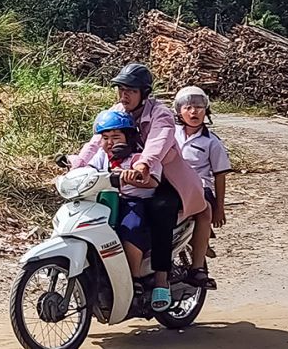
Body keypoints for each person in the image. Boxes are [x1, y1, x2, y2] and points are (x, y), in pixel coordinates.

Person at [74, 63, 208, 312]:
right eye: (121, 90)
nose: (124, 96)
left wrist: (143, 164)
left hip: (165, 178)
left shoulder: (161, 113)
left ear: (144, 93)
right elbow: (94, 144)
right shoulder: (116, 112)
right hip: (127, 182)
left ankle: (160, 280)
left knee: (160, 211)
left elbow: (159, 140)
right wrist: (75, 167)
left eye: (131, 91)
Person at [86, 111, 161, 291]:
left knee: (130, 227)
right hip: (107, 201)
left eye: (116, 137)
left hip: (134, 202)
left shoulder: (139, 158)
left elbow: (154, 181)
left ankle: (134, 278)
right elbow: (88, 169)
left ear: (128, 137)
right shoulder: (102, 156)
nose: (110, 142)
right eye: (105, 137)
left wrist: (133, 176)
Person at [174, 85, 229, 289]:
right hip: (173, 185)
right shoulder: (171, 134)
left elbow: (219, 175)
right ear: (179, 111)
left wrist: (220, 207)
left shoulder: (212, 142)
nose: (193, 111)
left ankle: (198, 268)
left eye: (199, 107)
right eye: (188, 107)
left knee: (204, 212)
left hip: (200, 188)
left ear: (206, 111)